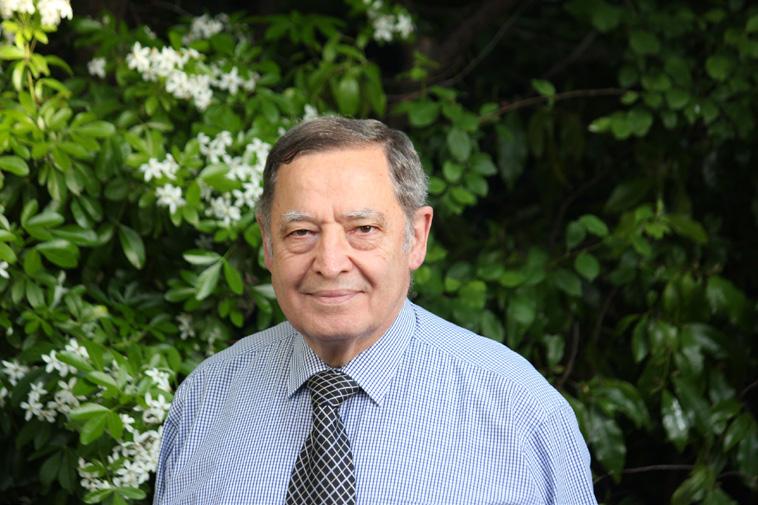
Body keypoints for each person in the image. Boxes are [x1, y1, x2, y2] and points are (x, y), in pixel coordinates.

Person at [153, 116, 598, 504]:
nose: (330, 263)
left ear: (416, 237)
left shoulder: (519, 409)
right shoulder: (206, 398)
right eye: (301, 232)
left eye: (363, 228)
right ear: (268, 243)